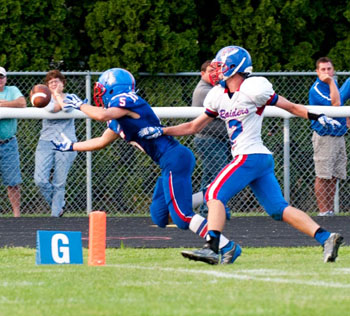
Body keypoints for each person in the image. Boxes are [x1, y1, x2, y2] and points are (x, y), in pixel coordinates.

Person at [138, 46, 344, 264]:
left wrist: (315, 116)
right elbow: (194, 126)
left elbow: (290, 106)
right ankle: (325, 237)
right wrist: (163, 130)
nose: (216, 69)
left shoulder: (253, 88)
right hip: (258, 159)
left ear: (235, 67)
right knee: (278, 209)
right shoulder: (218, 95)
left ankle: (212, 246)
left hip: (249, 155)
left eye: (221, 65)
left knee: (214, 194)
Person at [51, 68, 233, 262]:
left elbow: (102, 115)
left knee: (181, 217)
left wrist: (80, 105)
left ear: (113, 88)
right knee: (159, 216)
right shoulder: (117, 116)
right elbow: (101, 141)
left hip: (174, 157)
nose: (100, 93)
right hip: (167, 162)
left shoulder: (127, 100)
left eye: (103, 89)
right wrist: (71, 146)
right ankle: (206, 195)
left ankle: (225, 245)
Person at [34, 70, 77, 217]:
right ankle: (59, 204)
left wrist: (58, 96)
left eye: (56, 81)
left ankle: (55, 215)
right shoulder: (44, 99)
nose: (53, 84)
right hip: (46, 142)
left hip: (66, 142)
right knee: (40, 180)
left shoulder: (72, 97)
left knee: (59, 182)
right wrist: (56, 100)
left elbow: (67, 107)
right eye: (50, 82)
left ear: (62, 84)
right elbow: (51, 108)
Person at [309, 57, 347, 217]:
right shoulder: (317, 88)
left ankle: (330, 210)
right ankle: (323, 211)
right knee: (323, 175)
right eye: (323, 69)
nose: (327, 72)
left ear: (333, 70)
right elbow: (335, 104)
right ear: (317, 72)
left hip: (339, 136)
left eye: (329, 69)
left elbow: (341, 106)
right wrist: (331, 82)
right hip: (324, 137)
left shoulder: (335, 86)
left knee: (334, 175)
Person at [191, 60, 231, 217]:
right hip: (208, 140)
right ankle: (212, 209)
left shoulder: (213, 88)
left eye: (217, 70)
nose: (215, 74)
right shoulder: (205, 90)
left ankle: (205, 209)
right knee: (218, 176)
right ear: (202, 74)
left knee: (211, 177)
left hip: (214, 140)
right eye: (210, 71)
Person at [0, 67, 26, 217]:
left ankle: (17, 216)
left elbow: (22, 103)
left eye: (1, 77)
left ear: (5, 78)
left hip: (8, 143)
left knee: (13, 182)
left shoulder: (12, 90)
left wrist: (2, 104)